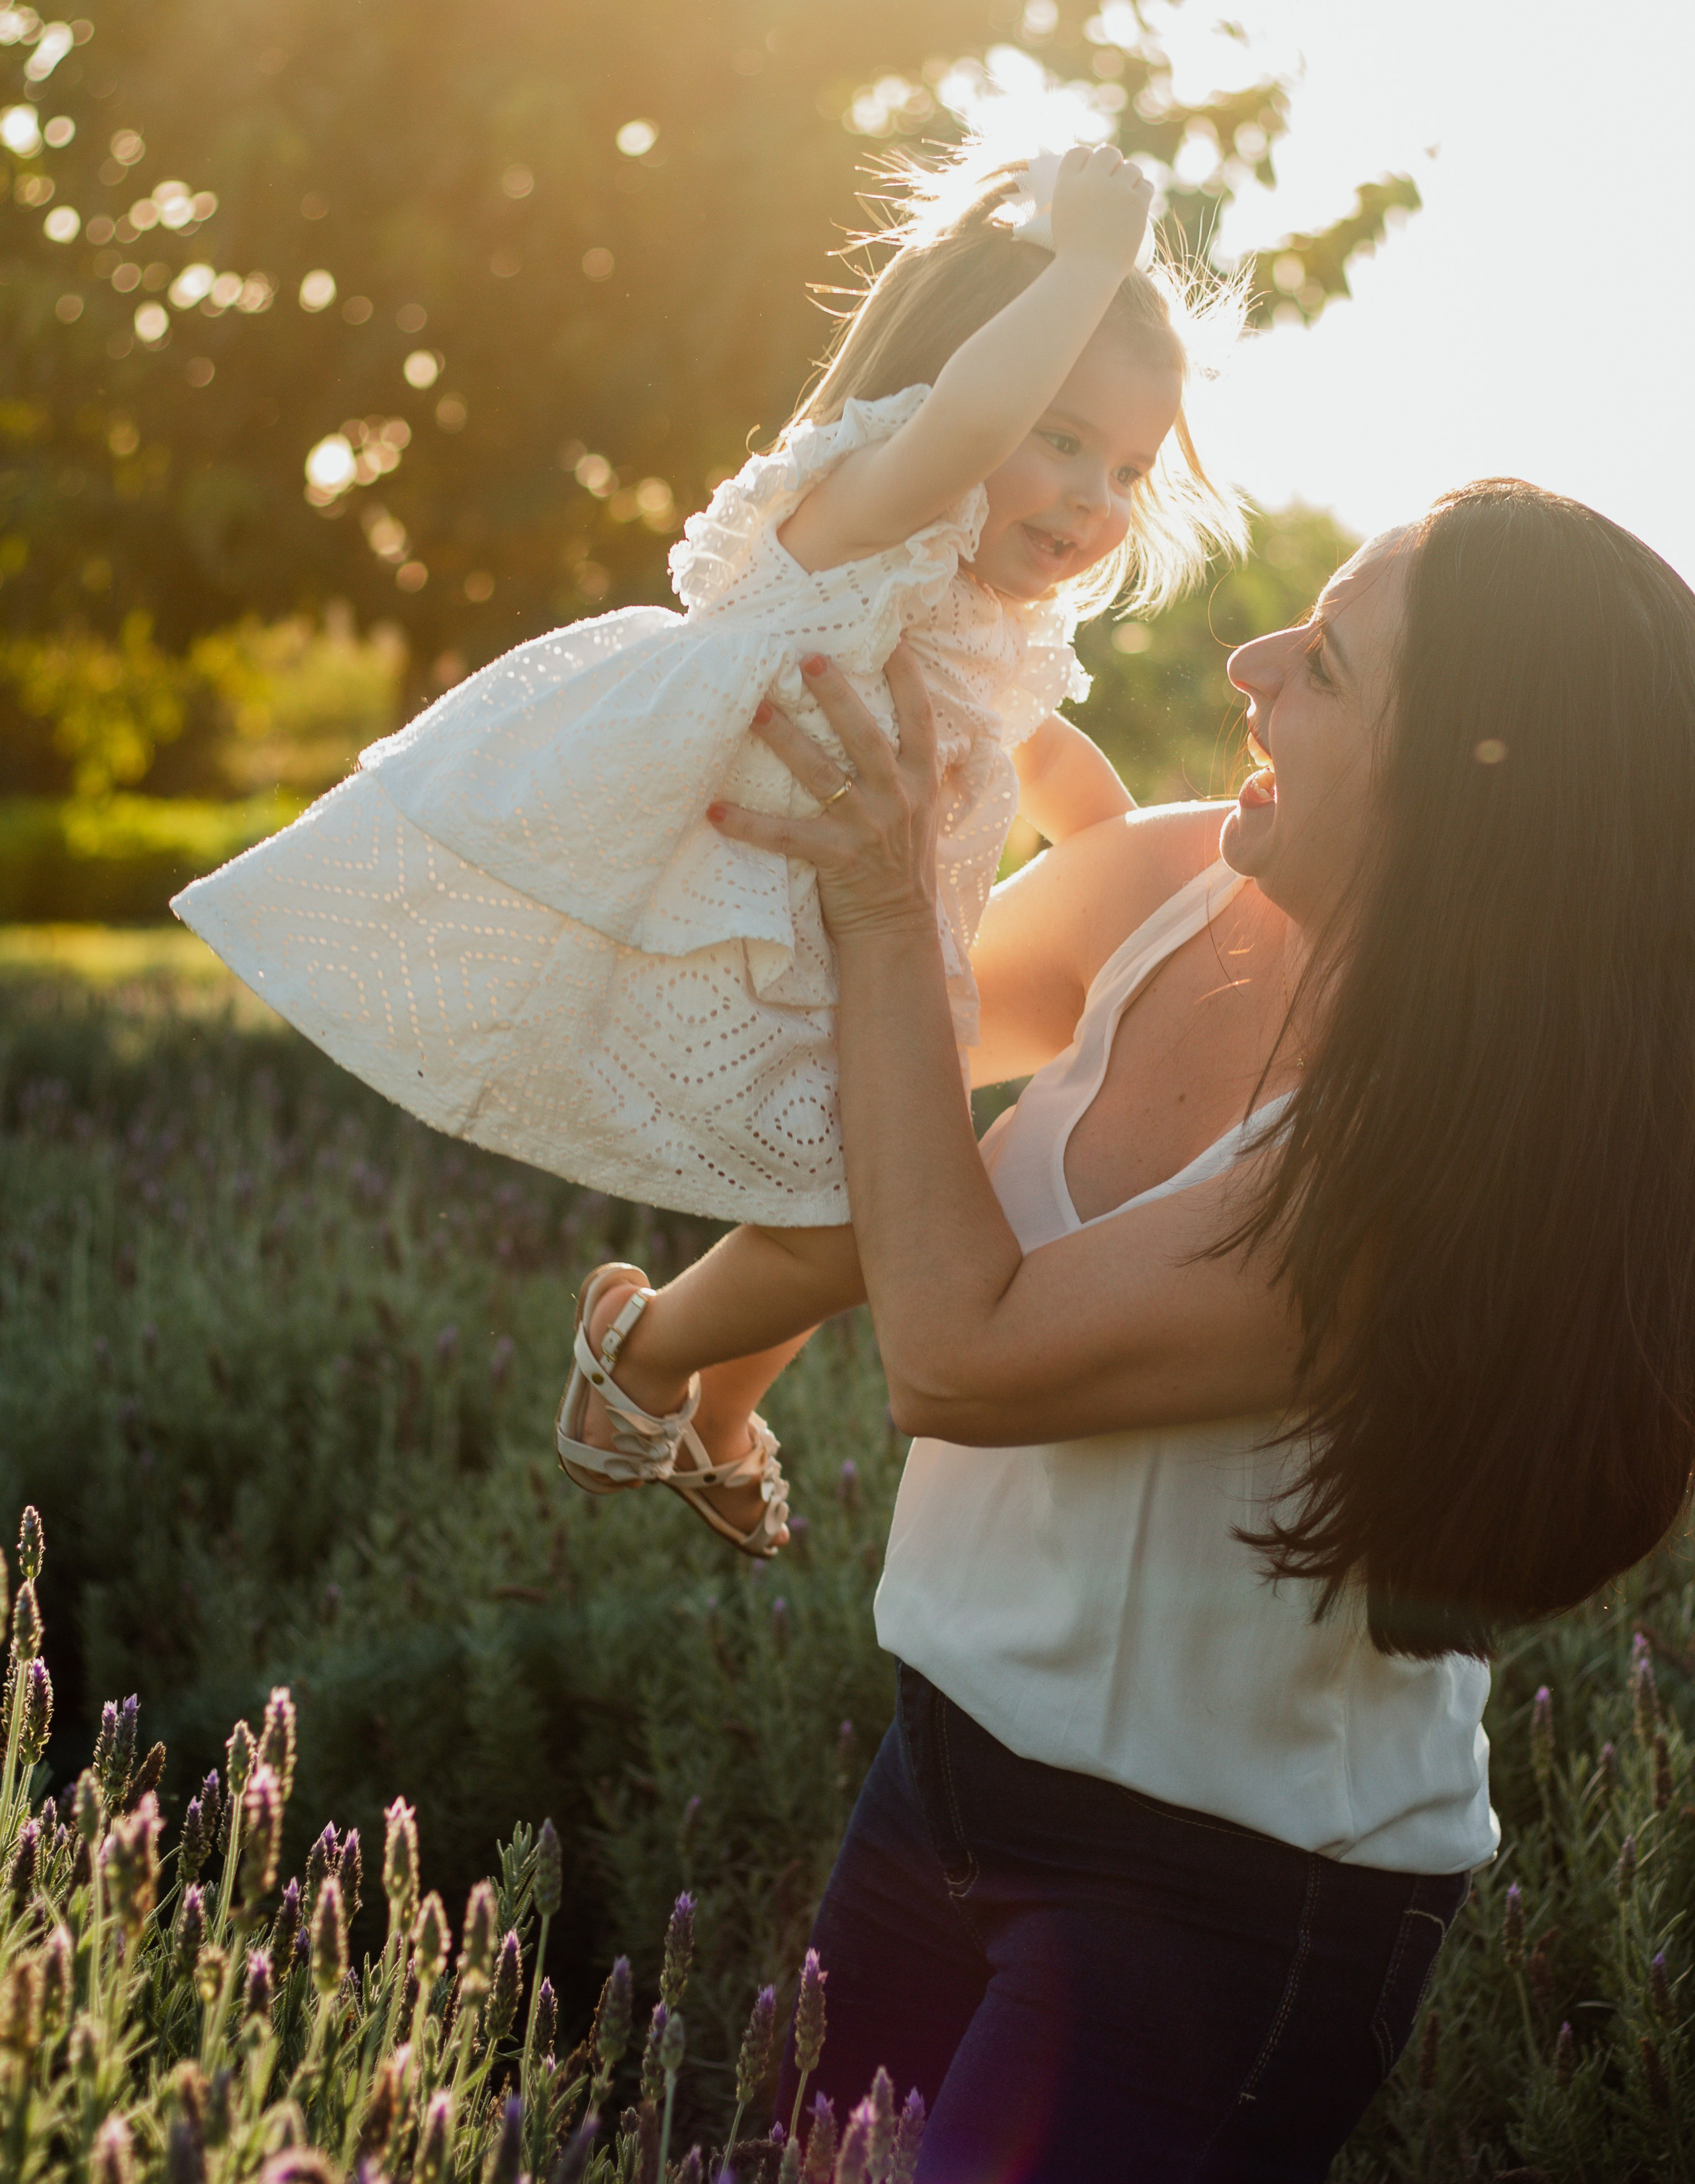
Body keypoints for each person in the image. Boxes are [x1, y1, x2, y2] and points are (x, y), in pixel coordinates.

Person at [610, 481, 1695, 2177]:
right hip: (935, 1779)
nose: (1252, 660)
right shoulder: (1194, 879)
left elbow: (955, 1353)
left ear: (1476, 788)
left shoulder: (1429, 1174)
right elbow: (853, 1074)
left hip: (1218, 1904)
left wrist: (890, 906)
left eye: (1327, 662)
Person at [173, 141, 1242, 1555]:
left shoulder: (982, 607)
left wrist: (1125, 880)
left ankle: (707, 1407)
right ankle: (647, 1354)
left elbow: (1040, 749)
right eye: (1058, 436)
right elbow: (965, 426)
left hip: (862, 947)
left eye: (1123, 467)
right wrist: (1091, 264)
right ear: (952, 391)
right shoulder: (874, 499)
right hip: (740, 906)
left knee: (867, 1206)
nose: (1092, 498)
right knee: (869, 1223)